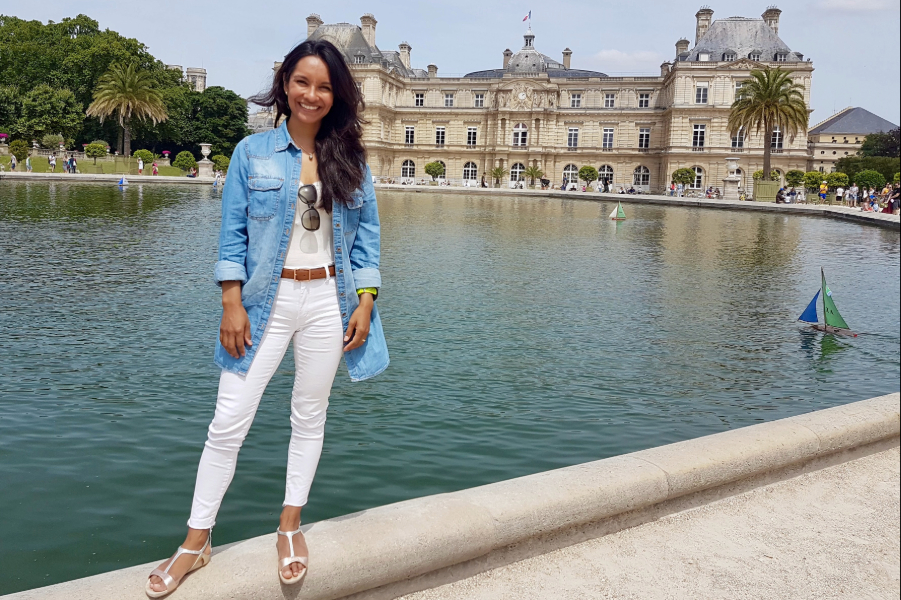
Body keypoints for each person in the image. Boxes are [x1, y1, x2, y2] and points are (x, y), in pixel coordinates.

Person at [145, 38, 388, 598]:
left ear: (338, 96)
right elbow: (232, 234)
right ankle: (196, 540)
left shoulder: (351, 160)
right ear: (284, 86)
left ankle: (289, 526)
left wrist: (366, 301)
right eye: (302, 82)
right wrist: (230, 302)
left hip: (329, 301)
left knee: (309, 417)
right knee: (228, 420)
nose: (312, 94)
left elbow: (367, 241)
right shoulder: (250, 153)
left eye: (325, 86)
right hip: (264, 302)